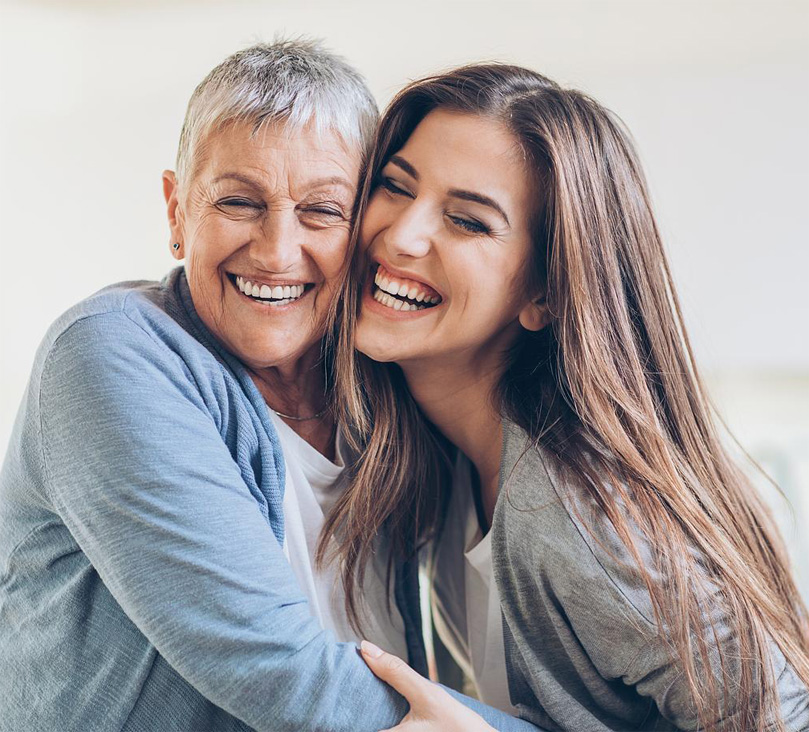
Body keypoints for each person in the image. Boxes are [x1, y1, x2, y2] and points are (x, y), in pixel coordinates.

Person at [0, 43, 536, 732]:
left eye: (320, 211)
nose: (277, 250)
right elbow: (282, 673)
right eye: (238, 202)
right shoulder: (109, 354)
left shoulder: (385, 395)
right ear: (175, 211)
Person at [327, 64, 809, 731]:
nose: (402, 235)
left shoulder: (582, 516)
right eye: (393, 186)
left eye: (466, 221)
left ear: (544, 293)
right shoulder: (444, 467)